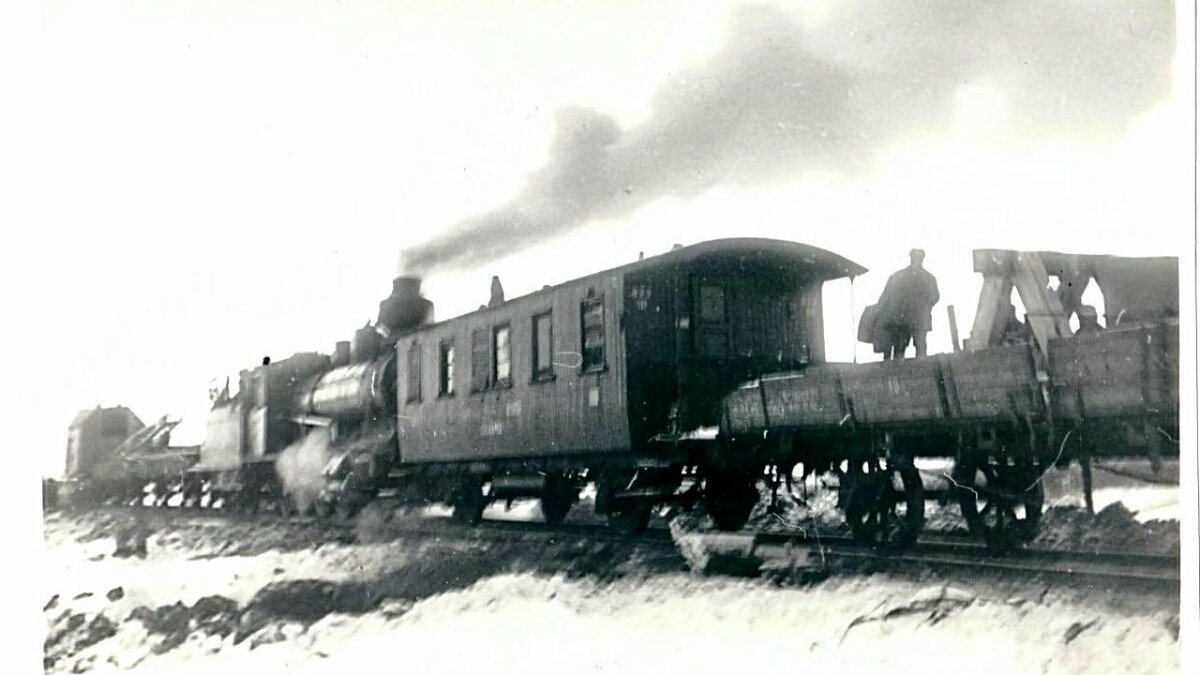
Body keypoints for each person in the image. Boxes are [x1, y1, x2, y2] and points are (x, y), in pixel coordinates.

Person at [876, 249, 940, 359]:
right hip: (906, 319)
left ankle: (918, 368)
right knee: (904, 347)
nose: (916, 260)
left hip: (910, 319)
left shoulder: (901, 276)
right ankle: (913, 369)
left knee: (914, 347)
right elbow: (935, 297)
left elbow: (935, 297)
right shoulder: (928, 278)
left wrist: (925, 306)